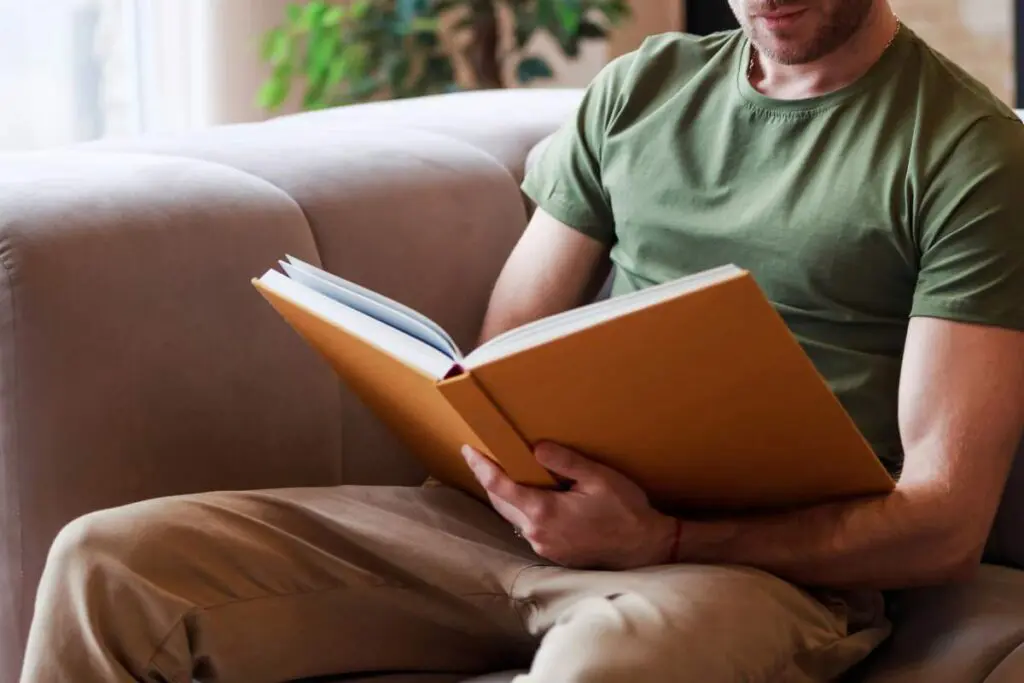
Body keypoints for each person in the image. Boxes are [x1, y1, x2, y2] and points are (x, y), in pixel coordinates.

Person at [20, 1, 1024, 681]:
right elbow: (506, 352)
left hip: (753, 572)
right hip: (510, 519)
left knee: (610, 667)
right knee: (109, 561)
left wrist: (664, 538)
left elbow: (942, 518)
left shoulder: (967, 153)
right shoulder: (643, 90)